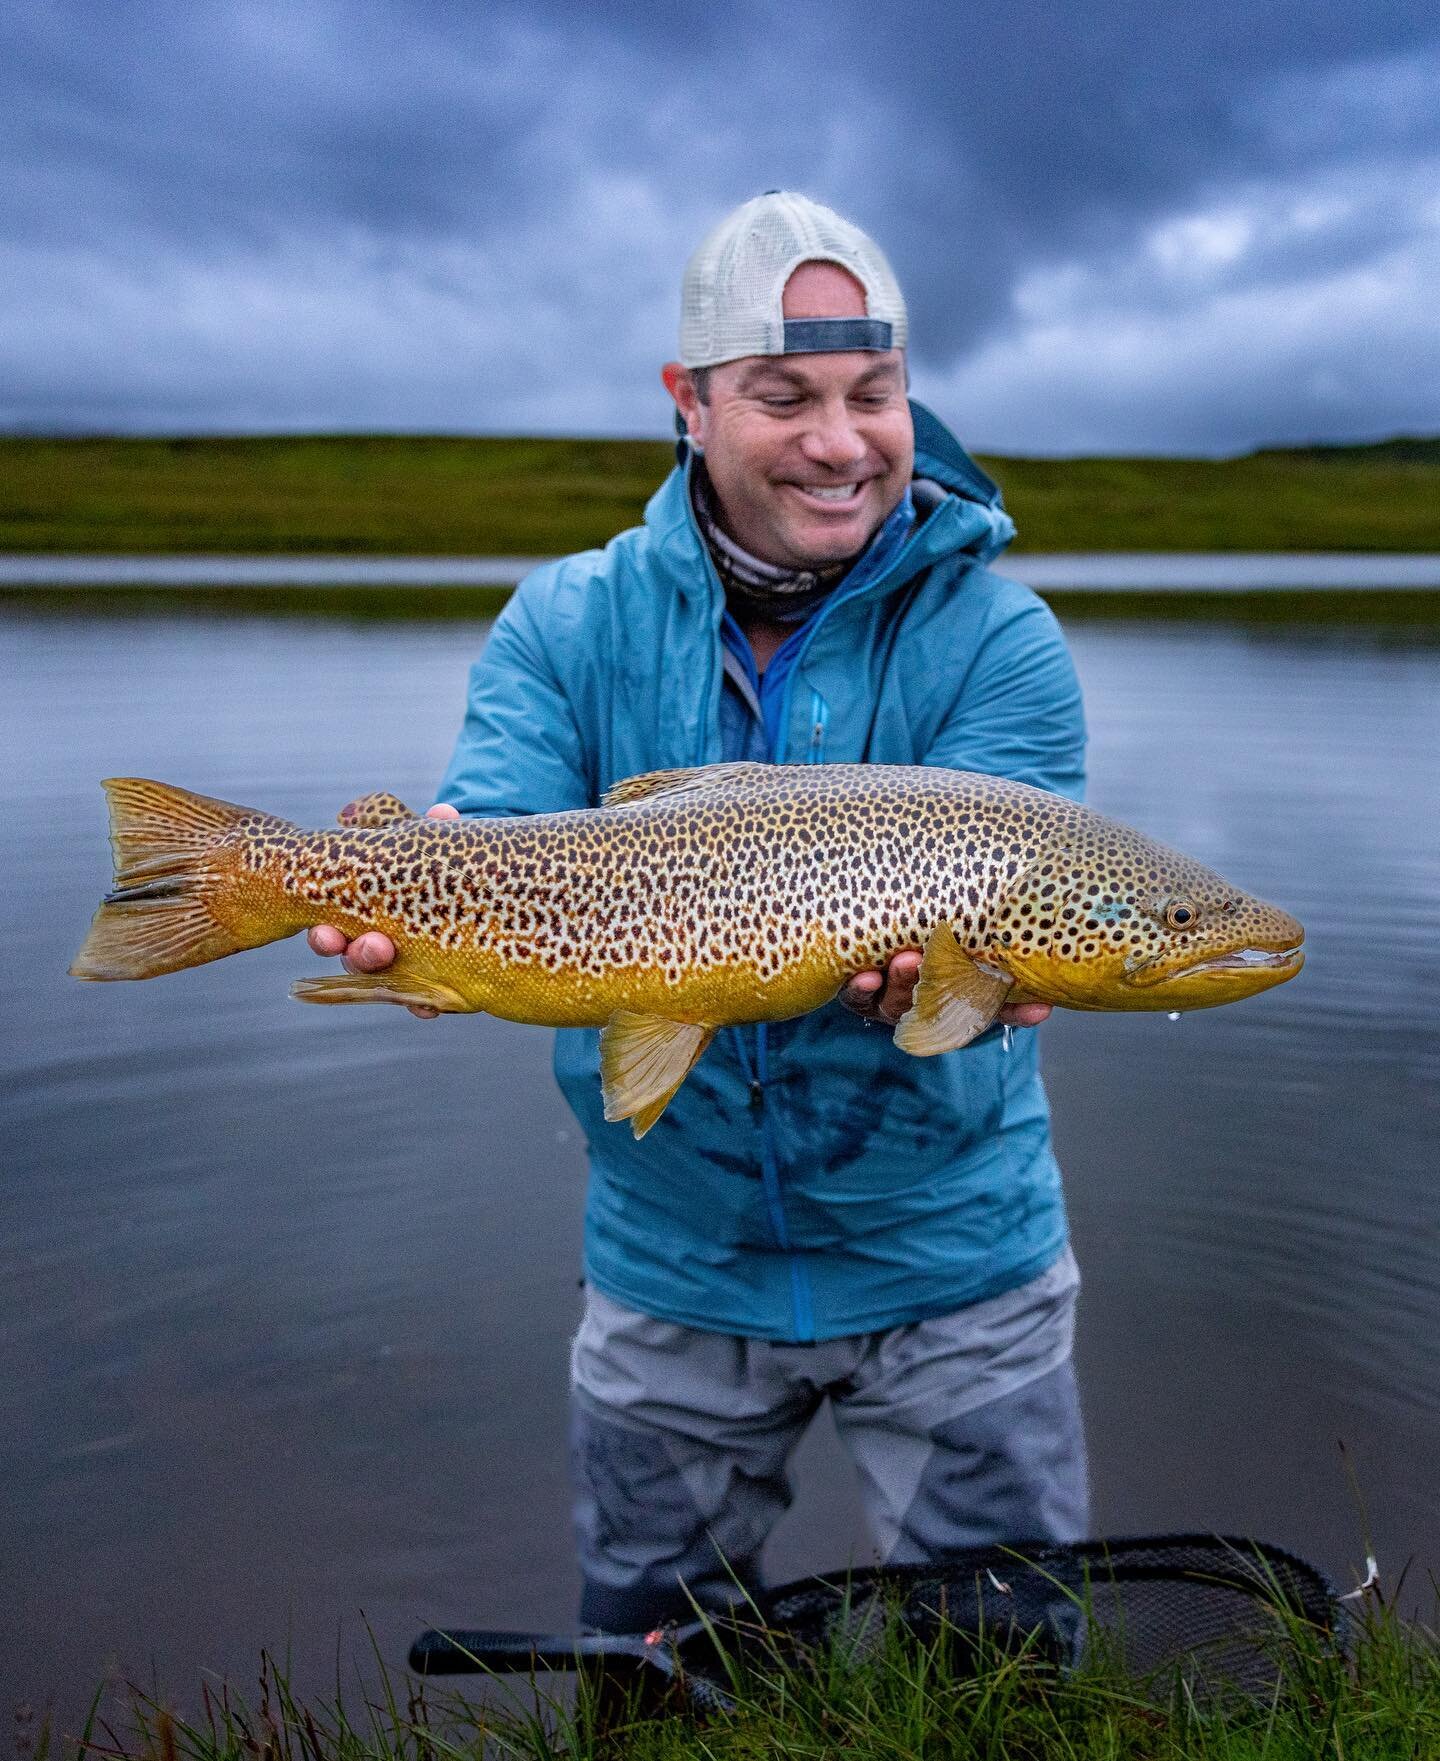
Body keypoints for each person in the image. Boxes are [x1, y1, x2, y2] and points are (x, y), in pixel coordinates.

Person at [310, 192, 1089, 1630]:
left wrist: (984, 964)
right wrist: (429, 894)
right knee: (653, 1659)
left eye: (874, 392)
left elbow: (1005, 877)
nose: (843, 442)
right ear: (688, 400)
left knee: (1013, 1674)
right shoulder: (565, 622)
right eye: (786, 395)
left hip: (958, 1261)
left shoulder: (1000, 640)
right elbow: (496, 827)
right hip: (671, 1257)